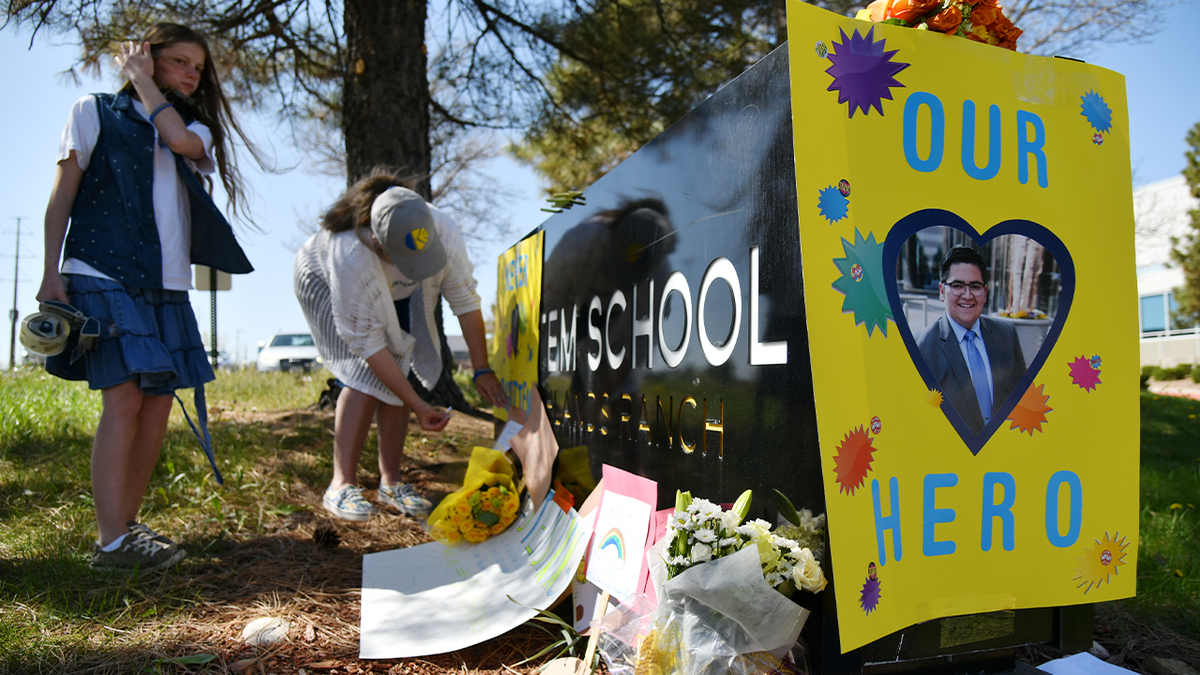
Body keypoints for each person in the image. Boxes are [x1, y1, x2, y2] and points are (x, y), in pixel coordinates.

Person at [36, 22, 261, 571]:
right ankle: (111, 541)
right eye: (179, 60)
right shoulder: (91, 111)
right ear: (147, 57)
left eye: (198, 67)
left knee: (159, 403)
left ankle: (125, 531)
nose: (191, 73)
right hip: (100, 268)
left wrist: (149, 87)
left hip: (166, 281)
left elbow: (181, 145)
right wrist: (49, 272)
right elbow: (62, 195)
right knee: (126, 396)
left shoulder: (195, 128)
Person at [294, 167, 509, 521]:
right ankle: (340, 484)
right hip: (321, 280)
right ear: (378, 243)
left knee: (400, 369)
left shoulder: (442, 230)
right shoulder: (350, 254)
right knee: (362, 376)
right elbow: (367, 345)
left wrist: (482, 368)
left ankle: (391, 483)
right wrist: (417, 404)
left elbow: (465, 301)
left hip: (396, 289)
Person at [916, 245, 1027, 435]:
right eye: (957, 285)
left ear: (984, 293)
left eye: (975, 287)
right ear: (942, 291)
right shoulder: (921, 347)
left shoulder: (1007, 334)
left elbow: (1024, 400)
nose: (967, 295)